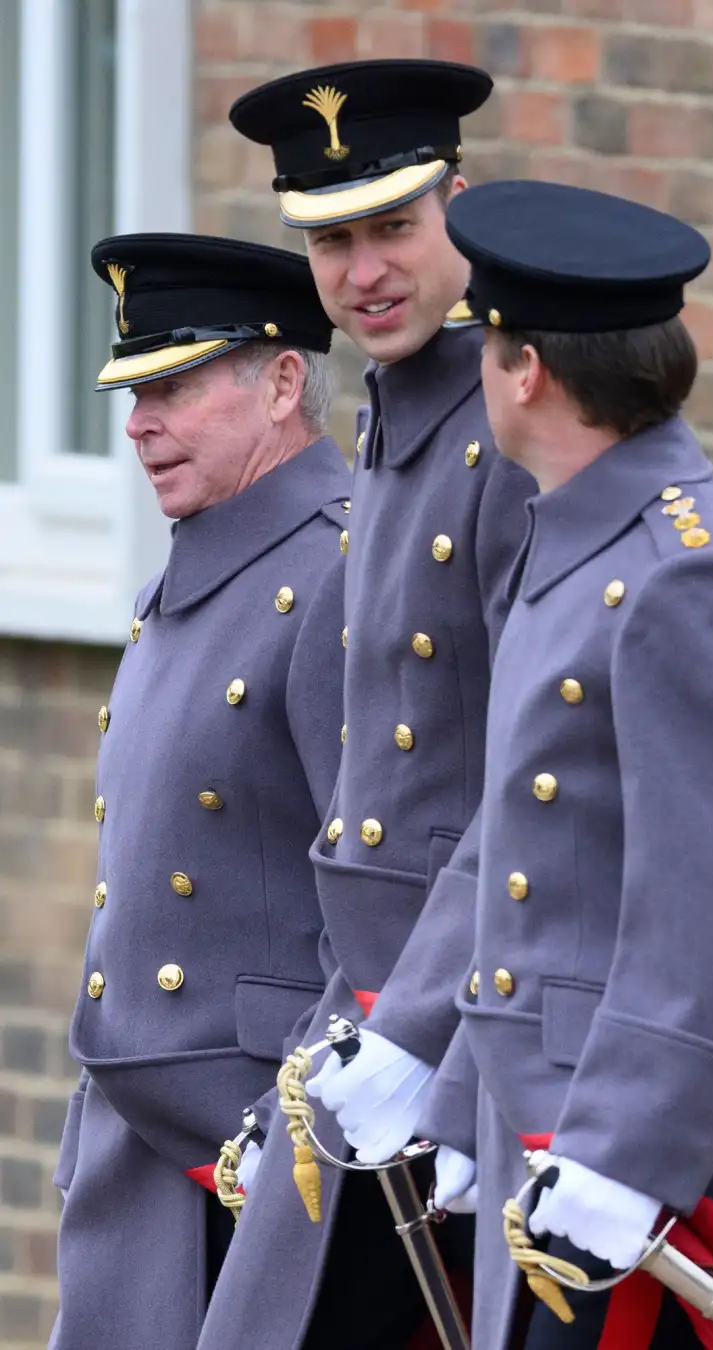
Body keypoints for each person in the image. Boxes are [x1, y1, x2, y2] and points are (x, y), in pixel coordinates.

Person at [416, 179, 713, 1350]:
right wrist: (468, 1092)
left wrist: (621, 1159)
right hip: (559, 1134)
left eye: (488, 343)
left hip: (670, 1178)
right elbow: (535, 870)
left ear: (526, 373)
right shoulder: (577, 531)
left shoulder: (686, 573)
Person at [196, 60, 534, 1350]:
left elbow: (531, 781)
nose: (364, 270)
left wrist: (420, 1030)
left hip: (468, 1021)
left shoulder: (511, 419)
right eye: (332, 239)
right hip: (371, 1012)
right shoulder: (397, 422)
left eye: (395, 223)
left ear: (462, 202)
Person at [50, 233, 349, 1350]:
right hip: (144, 1145)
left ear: (280, 383)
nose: (137, 426)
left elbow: (382, 908)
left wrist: (296, 1131)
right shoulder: (180, 577)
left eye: (171, 388)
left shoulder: (336, 578)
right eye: (134, 394)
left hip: (257, 1162)